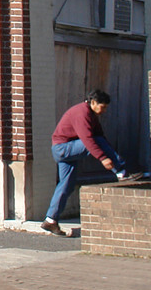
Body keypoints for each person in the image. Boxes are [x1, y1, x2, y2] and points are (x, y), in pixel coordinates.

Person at [43, 89, 139, 235]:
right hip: (62, 148)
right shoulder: (82, 113)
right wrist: (103, 158)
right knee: (96, 141)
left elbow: (99, 134)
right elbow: (88, 139)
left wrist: (108, 153)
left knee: (66, 185)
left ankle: (50, 220)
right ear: (93, 102)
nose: (104, 110)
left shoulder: (91, 114)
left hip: (66, 149)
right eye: (103, 106)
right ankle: (121, 173)